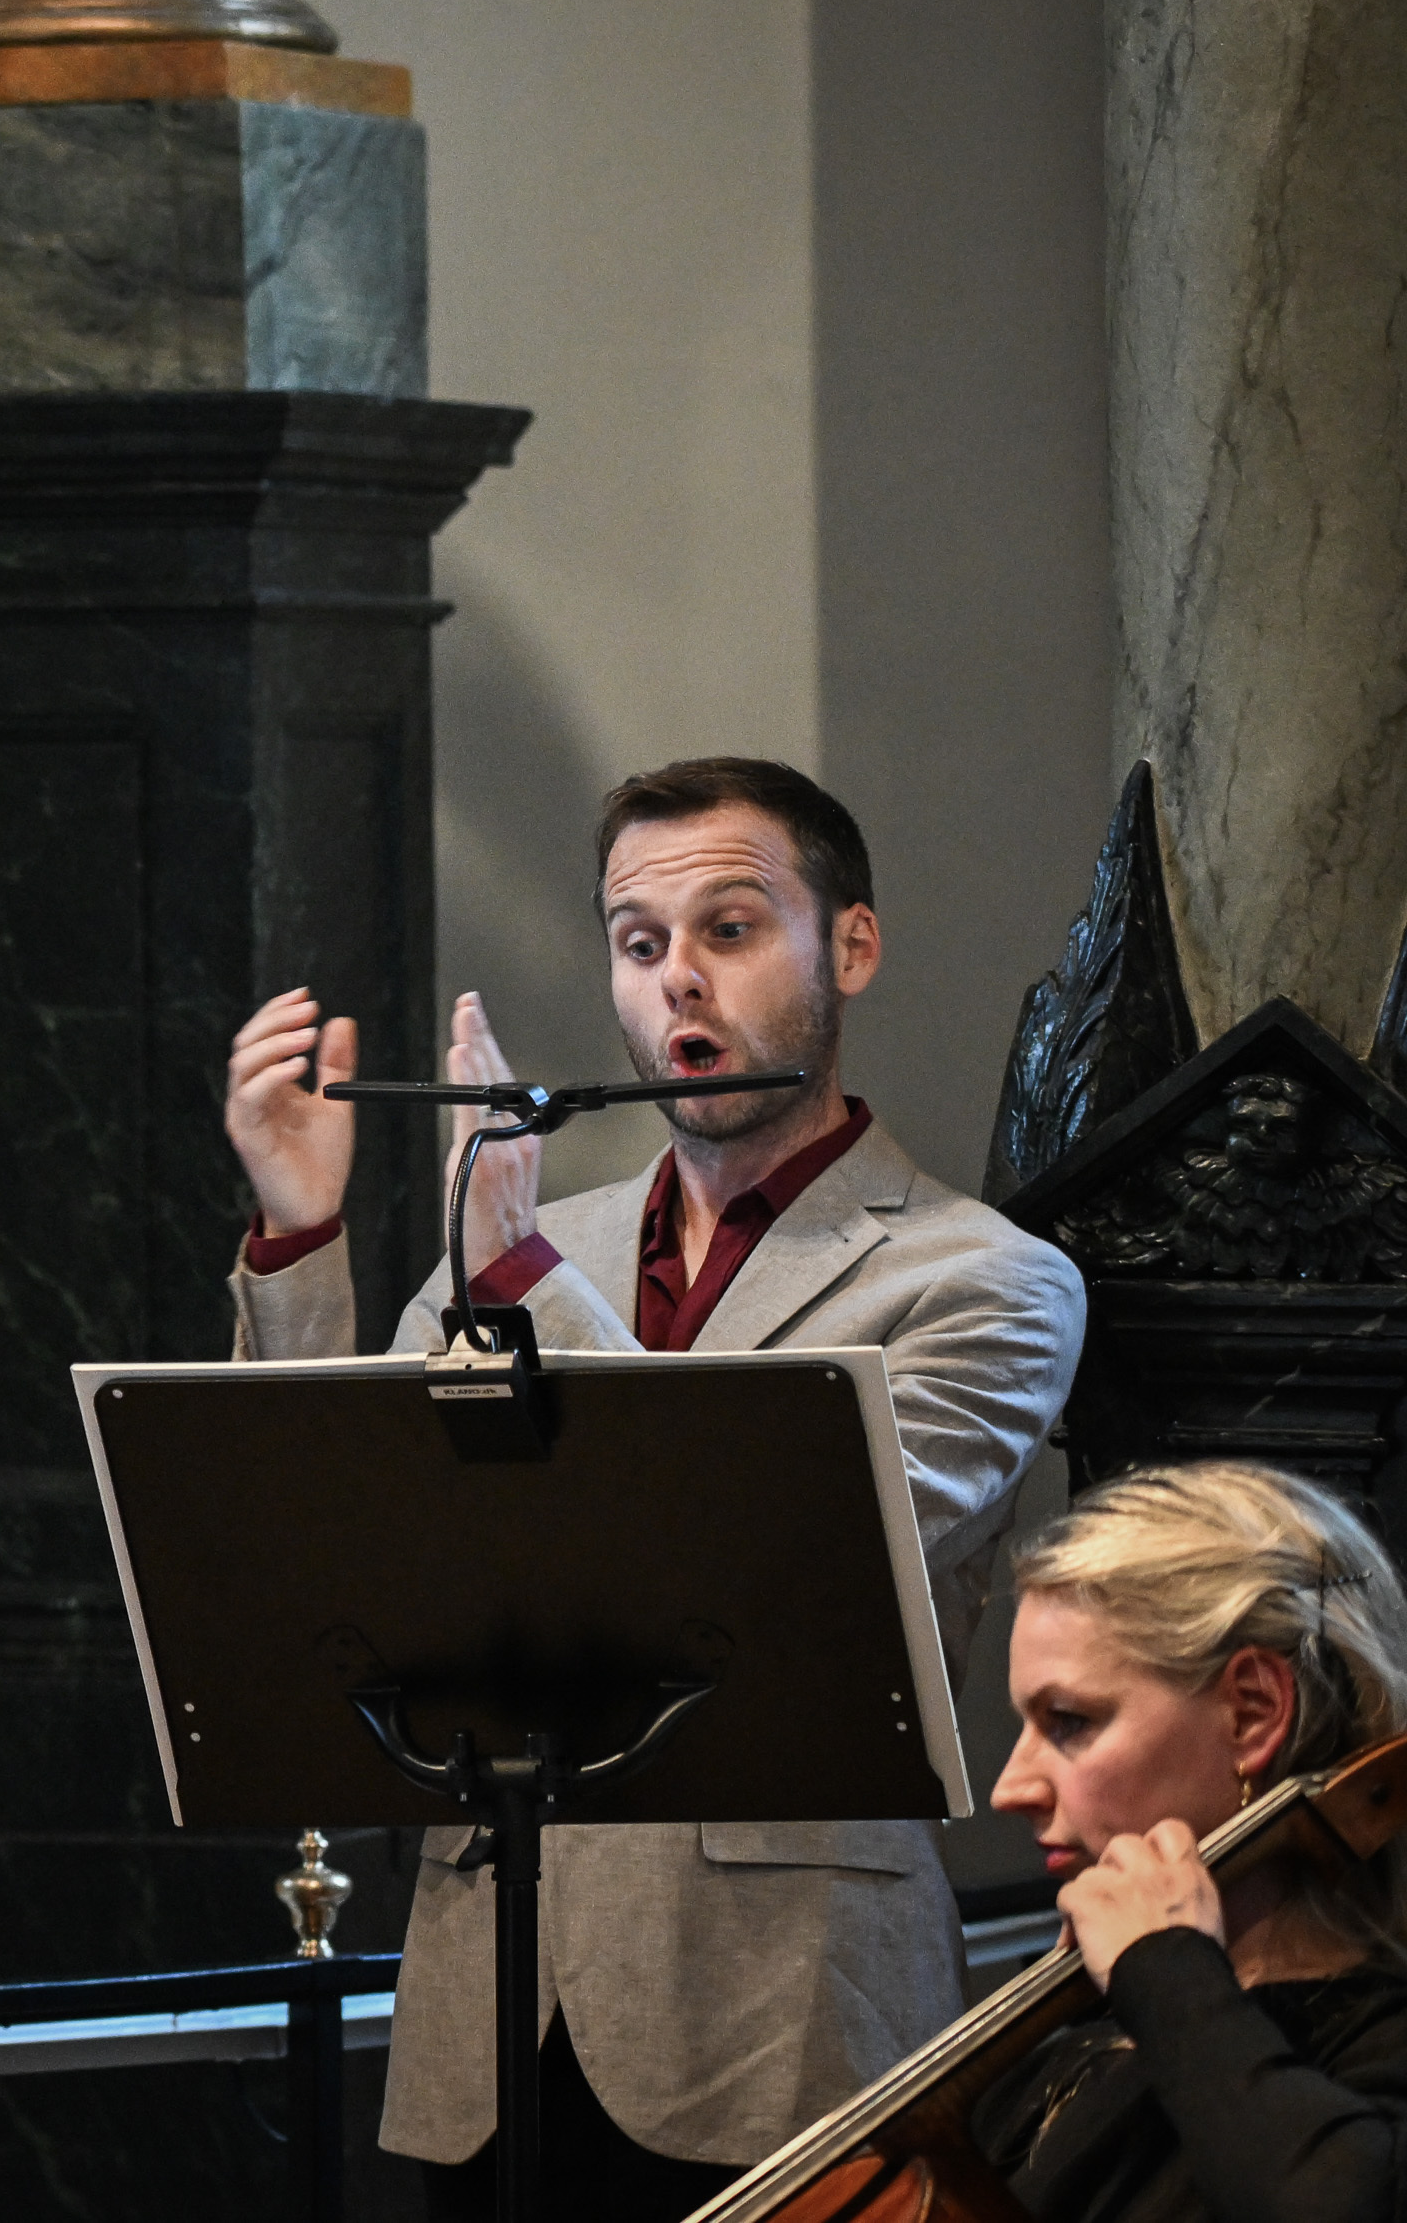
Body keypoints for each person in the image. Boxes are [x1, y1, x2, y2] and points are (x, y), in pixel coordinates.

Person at [221, 754, 1087, 2220]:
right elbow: (328, 1533)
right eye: (639, 943)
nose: (677, 976)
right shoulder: (531, 1237)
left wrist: (521, 1280)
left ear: (850, 946)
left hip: (786, 2027)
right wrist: (300, 1233)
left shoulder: (984, 1280)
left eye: (729, 930)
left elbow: (774, 1552)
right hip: (489, 2021)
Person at [967, 1460, 1407, 2220]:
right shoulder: (1073, 2044)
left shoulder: (1377, 2046)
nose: (1010, 1788)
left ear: (1252, 1712)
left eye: (1069, 1720)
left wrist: (1164, 1968)